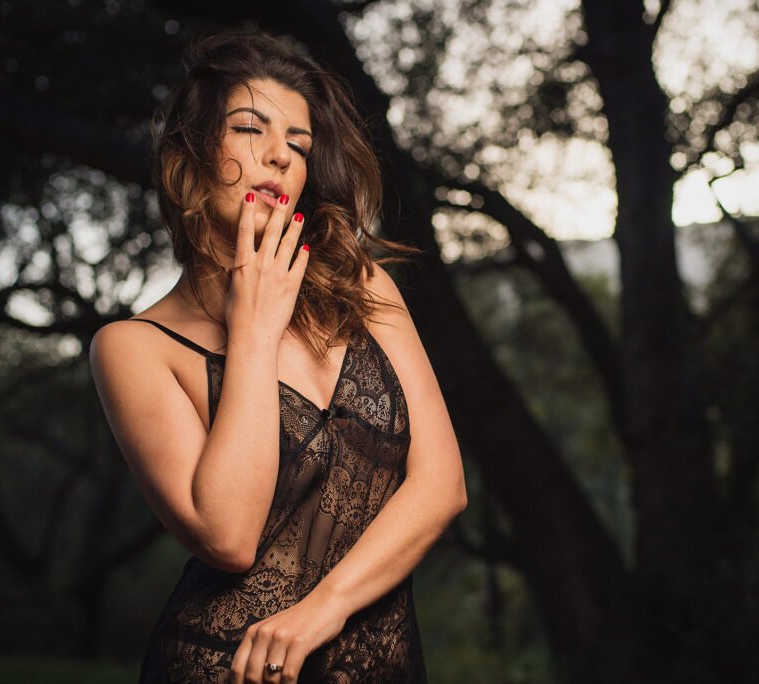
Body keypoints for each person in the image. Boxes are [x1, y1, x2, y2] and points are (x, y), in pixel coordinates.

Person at [89, 29, 468, 684]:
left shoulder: (363, 284)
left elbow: (442, 485)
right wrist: (255, 333)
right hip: (222, 665)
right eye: (248, 129)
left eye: (299, 144)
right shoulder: (131, 347)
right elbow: (229, 536)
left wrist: (326, 607)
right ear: (191, 156)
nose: (278, 158)